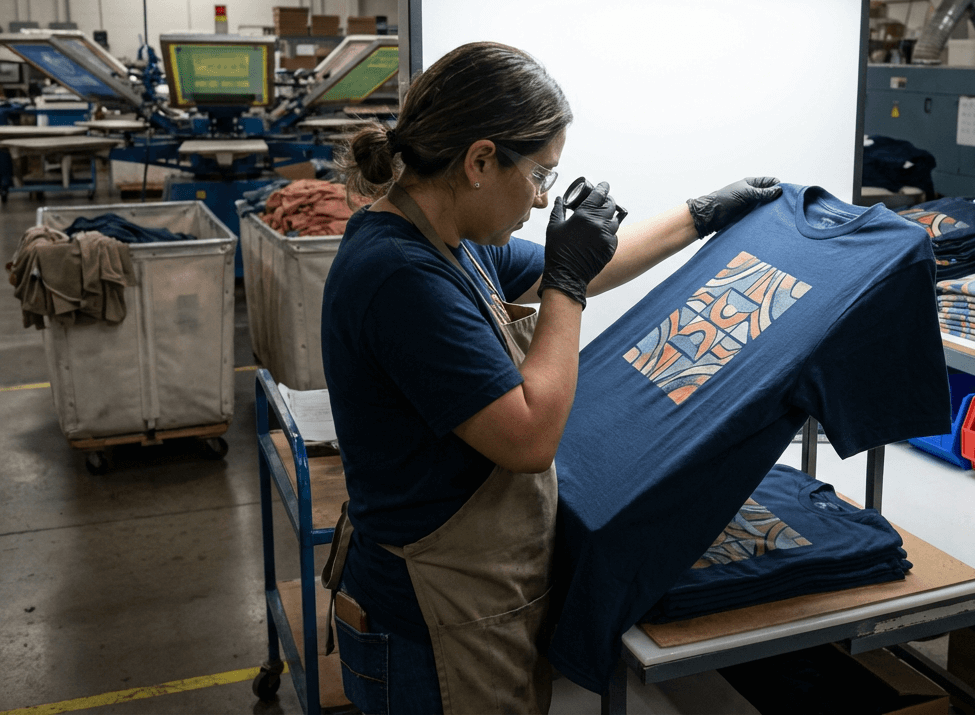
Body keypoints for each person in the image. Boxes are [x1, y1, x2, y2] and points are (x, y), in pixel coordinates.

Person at [320, 40, 780, 715]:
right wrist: (567, 280)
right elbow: (530, 436)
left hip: (469, 597)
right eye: (539, 174)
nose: (541, 199)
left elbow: (587, 264)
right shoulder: (402, 277)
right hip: (431, 622)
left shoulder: (454, 243)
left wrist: (700, 214)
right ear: (480, 161)